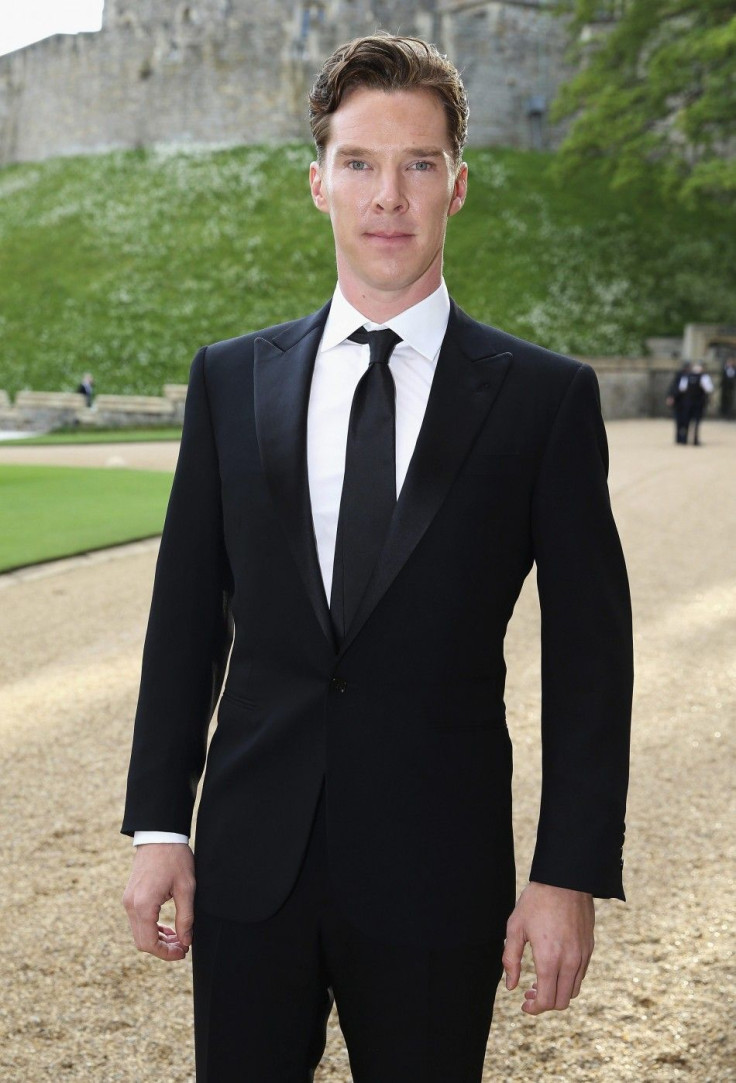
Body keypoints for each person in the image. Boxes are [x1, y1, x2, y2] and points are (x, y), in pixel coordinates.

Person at [122, 33, 633, 1082]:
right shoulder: (227, 381)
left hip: (437, 874)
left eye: (417, 164)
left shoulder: (542, 401)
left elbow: (592, 653)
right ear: (318, 183)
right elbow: (184, 619)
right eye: (358, 162)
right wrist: (157, 826)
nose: (386, 195)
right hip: (249, 865)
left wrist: (567, 872)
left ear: (458, 184)